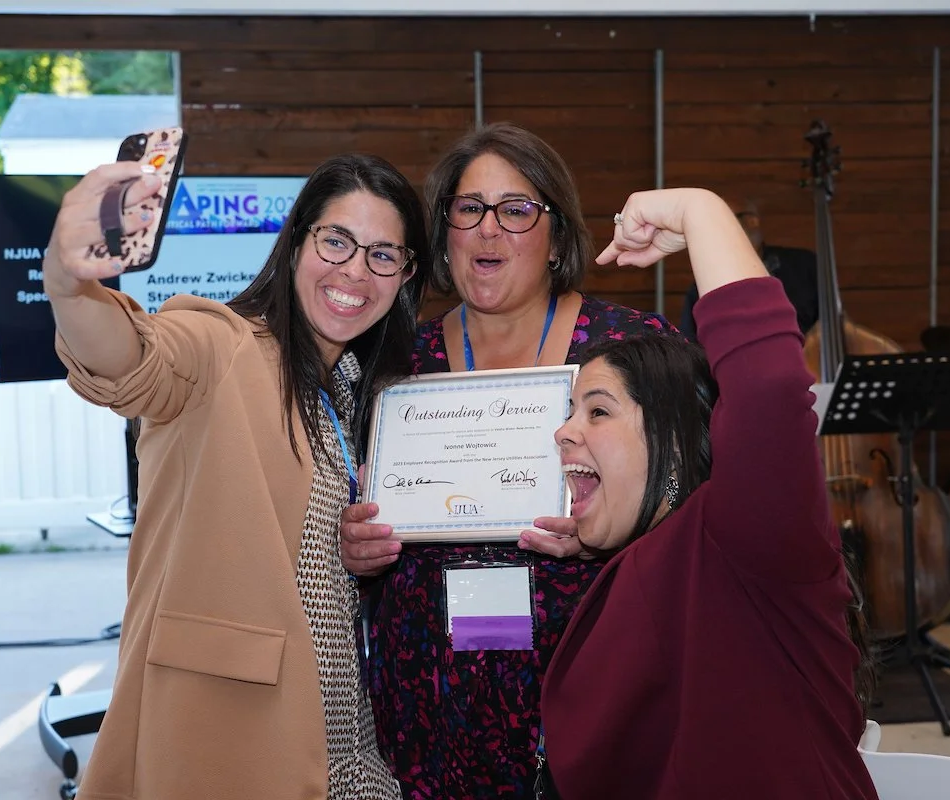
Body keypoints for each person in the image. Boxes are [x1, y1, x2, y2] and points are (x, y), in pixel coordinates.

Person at [44, 153, 431, 799]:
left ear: (406, 274)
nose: (356, 271)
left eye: (383, 255)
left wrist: (349, 553)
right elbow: (129, 358)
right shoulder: (221, 346)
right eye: (337, 241)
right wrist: (68, 283)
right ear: (297, 241)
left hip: (343, 734)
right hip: (235, 734)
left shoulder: (353, 385)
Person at [340, 122, 675, 797]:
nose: (488, 230)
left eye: (517, 210)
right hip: (427, 700)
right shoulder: (395, 363)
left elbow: (692, 501)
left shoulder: (632, 348)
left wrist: (610, 531)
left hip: (589, 683)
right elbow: (348, 501)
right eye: (469, 209)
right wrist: (354, 547)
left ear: (557, 236)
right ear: (445, 233)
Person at [540, 187, 877, 799]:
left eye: (598, 410)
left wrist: (699, 211)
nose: (564, 432)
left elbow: (768, 386)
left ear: (672, 440)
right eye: (570, 411)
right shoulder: (650, 559)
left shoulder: (743, 536)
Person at [678, 196, 819, 342]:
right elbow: (689, 343)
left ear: (751, 221)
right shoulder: (702, 286)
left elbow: (829, 323)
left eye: (721, 222)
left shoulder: (804, 264)